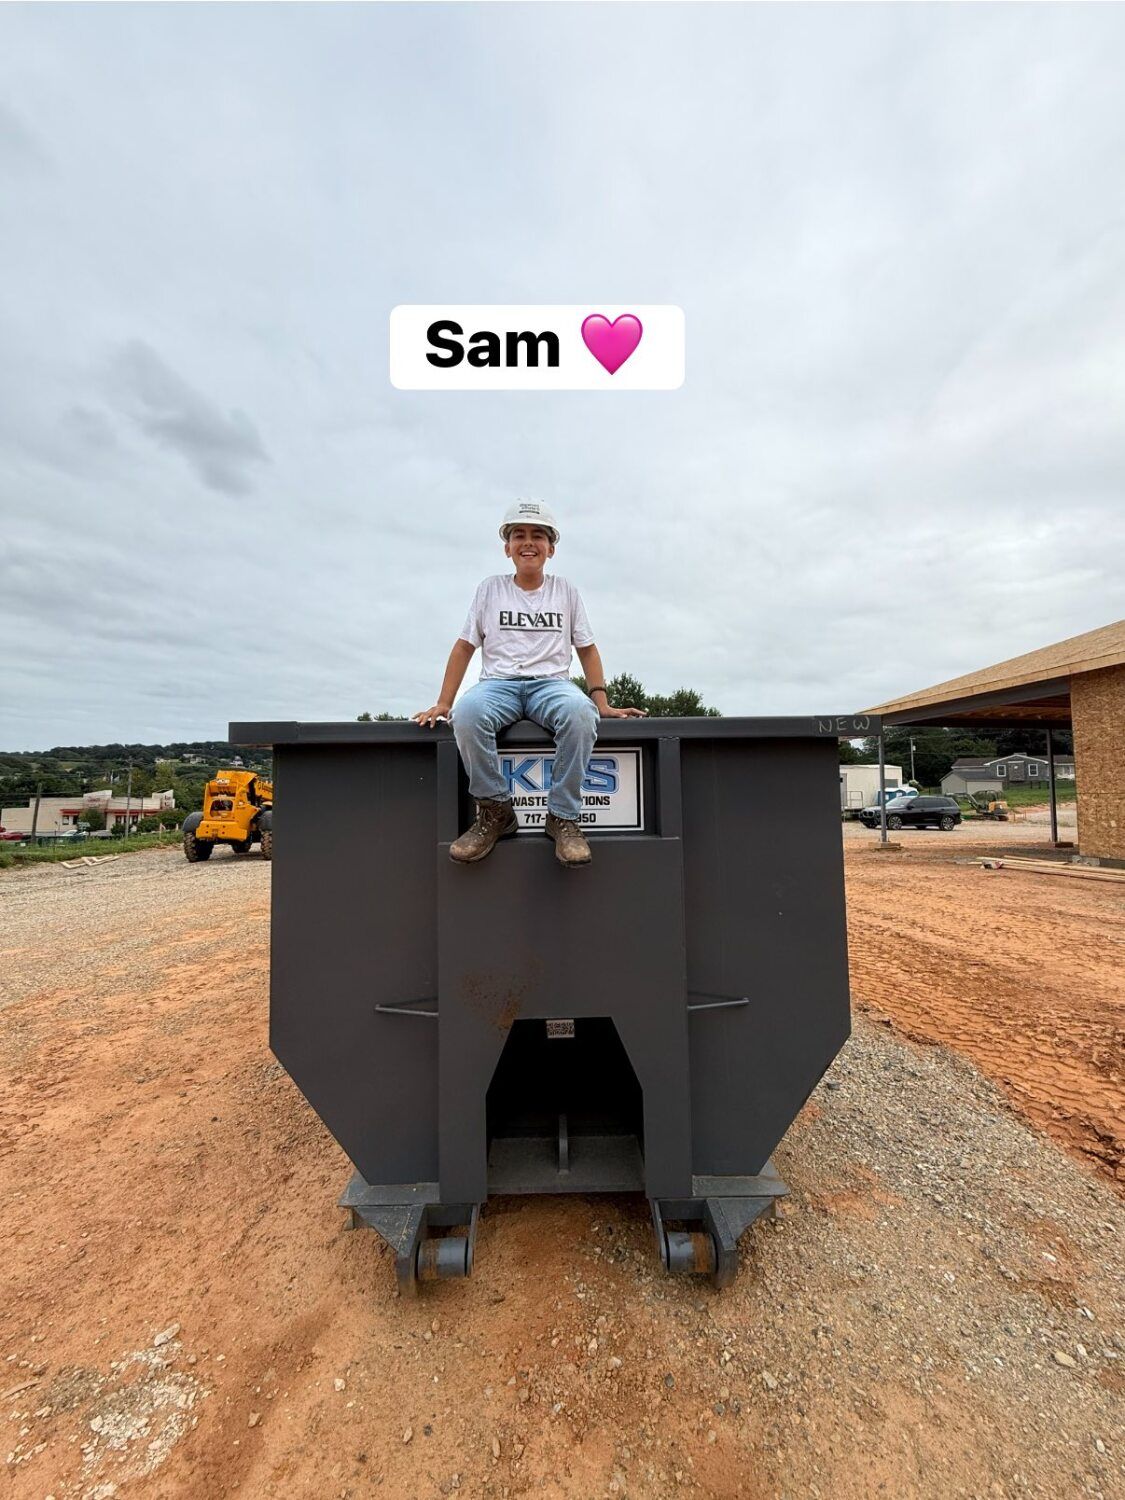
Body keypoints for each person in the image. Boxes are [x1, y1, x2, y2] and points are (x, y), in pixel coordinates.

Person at [414, 499, 646, 866]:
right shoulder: (490, 589)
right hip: (499, 684)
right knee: (468, 714)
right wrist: (443, 703)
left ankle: (563, 816)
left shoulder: (565, 591)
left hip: (551, 684)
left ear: (551, 548)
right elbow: (463, 647)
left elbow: (587, 649)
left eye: (538, 536)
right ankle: (495, 811)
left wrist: (600, 701)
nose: (528, 542)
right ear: (507, 548)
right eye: (518, 535)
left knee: (581, 715)